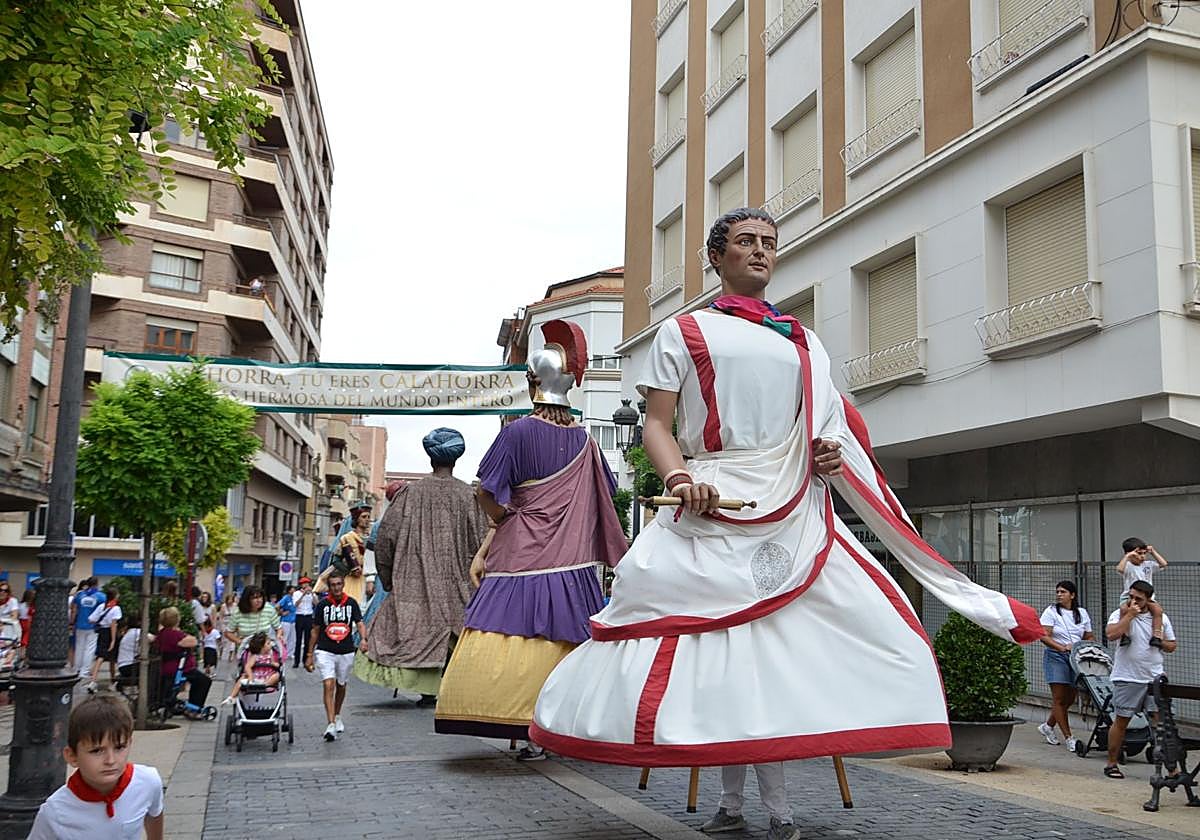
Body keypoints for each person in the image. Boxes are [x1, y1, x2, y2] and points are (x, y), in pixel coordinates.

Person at [530, 209, 1042, 840]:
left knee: (778, 661)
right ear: (715, 258)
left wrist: (829, 453)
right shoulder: (682, 331)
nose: (761, 251)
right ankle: (734, 804)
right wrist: (681, 481)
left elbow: (824, 429)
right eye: (746, 241)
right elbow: (658, 426)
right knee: (724, 662)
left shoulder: (805, 340)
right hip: (711, 503)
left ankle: (778, 810)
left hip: (792, 512)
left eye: (770, 243)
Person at [434, 320, 626, 761]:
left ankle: (517, 726)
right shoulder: (587, 442)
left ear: (532, 382)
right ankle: (564, 727)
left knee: (510, 633)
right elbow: (605, 502)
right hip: (573, 564)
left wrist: (503, 519)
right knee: (567, 640)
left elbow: (485, 490)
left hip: (519, 554)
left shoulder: (517, 432)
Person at [354, 428, 488, 703]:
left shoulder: (409, 495)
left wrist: (389, 580)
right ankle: (451, 690)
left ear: (430, 459)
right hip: (460, 590)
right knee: (455, 637)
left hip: (414, 588)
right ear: (455, 460)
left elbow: (385, 540)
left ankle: (427, 690)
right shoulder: (470, 497)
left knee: (420, 632)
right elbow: (485, 542)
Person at [27, 695, 164, 840]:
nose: (110, 760)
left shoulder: (148, 782)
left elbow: (155, 813)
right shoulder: (55, 812)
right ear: (72, 756)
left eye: (119, 747)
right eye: (97, 751)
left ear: (130, 743)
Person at [1103, 579, 1177, 779]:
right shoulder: (1120, 613)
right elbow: (1111, 634)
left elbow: (1172, 645)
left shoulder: (1160, 617)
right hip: (1127, 676)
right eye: (1131, 596)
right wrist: (1129, 615)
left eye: (1139, 599)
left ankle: (1172, 769)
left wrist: (1159, 641)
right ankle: (1112, 763)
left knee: (1161, 720)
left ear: (1148, 599)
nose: (1134, 601)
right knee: (1122, 720)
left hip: (1154, 676)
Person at [305, 572, 368, 741]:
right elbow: (315, 630)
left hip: (346, 651)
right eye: (333, 585)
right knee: (328, 683)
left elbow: (360, 623)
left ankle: (338, 714)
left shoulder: (352, 603)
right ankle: (330, 724)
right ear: (329, 587)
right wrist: (309, 654)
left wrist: (363, 639)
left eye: (339, 584)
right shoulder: (323, 605)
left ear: (343, 584)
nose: (336, 588)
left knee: (341, 685)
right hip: (325, 650)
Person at [1037, 580, 1093, 752]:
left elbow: (1089, 636)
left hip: (1075, 658)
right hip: (1056, 656)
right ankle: (1069, 737)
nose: (1059, 594)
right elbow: (1043, 635)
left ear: (1072, 595)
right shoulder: (1051, 611)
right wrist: (1061, 647)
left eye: (1063, 592)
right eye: (1058, 592)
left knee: (1070, 698)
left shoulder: (1081, 613)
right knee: (1059, 698)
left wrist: (1081, 646)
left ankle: (1048, 726)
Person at [156, 606, 212, 719]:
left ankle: (191, 706)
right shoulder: (174, 634)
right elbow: (193, 641)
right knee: (204, 681)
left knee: (198, 680)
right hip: (180, 669)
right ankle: (194, 707)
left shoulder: (162, 633)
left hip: (168, 667)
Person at [1116, 537, 1167, 646]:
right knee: (1124, 609)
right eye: (1139, 553)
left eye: (1144, 553)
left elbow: (1163, 564)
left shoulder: (1148, 565)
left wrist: (1153, 552)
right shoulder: (1128, 566)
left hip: (1147, 597)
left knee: (1157, 610)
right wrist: (1128, 556)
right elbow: (1120, 569)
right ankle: (1125, 635)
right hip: (1130, 597)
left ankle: (1156, 635)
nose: (1142, 557)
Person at [221, 632, 281, 705]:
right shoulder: (255, 656)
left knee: (277, 675)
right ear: (261, 647)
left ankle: (264, 685)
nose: (271, 645)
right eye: (268, 644)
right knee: (241, 678)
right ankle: (232, 696)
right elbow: (248, 666)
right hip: (255, 677)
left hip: (267, 677)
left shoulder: (270, 655)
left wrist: (275, 664)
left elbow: (273, 663)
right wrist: (250, 675)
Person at [222, 585, 285, 655]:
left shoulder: (269, 608)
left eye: (260, 597)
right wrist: (240, 642)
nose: (258, 600)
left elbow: (278, 628)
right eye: (254, 598)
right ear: (247, 599)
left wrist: (278, 637)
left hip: (265, 648)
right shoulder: (238, 612)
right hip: (247, 649)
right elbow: (228, 632)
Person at [84, 587, 122, 693]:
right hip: (110, 633)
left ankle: (93, 680)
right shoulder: (116, 608)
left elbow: (91, 619)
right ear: (115, 597)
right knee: (112, 659)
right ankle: (113, 680)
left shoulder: (102, 606)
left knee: (100, 657)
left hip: (102, 632)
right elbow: (113, 624)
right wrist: (113, 640)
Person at [69, 577, 102, 678]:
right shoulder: (101, 596)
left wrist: (72, 622)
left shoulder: (79, 595)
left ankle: (76, 668)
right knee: (89, 649)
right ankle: (85, 671)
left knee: (79, 647)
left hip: (79, 624)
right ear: (96, 584)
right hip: (92, 626)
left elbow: (73, 609)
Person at [293, 578, 316, 668]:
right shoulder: (296, 593)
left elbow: (316, 603)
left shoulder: (311, 594)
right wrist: (303, 595)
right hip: (300, 616)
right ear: (301, 585)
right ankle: (296, 661)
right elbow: (296, 604)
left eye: (307, 583)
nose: (306, 585)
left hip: (309, 617)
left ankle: (305, 660)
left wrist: (313, 594)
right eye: (304, 584)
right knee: (298, 640)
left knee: (307, 640)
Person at [276, 584, 297, 660]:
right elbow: (277, 605)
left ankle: (290, 653)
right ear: (289, 591)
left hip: (293, 620)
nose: (294, 591)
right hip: (286, 621)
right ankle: (282, 652)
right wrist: (281, 613)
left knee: (293, 638)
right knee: (285, 638)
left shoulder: (295, 598)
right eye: (292, 589)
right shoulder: (286, 598)